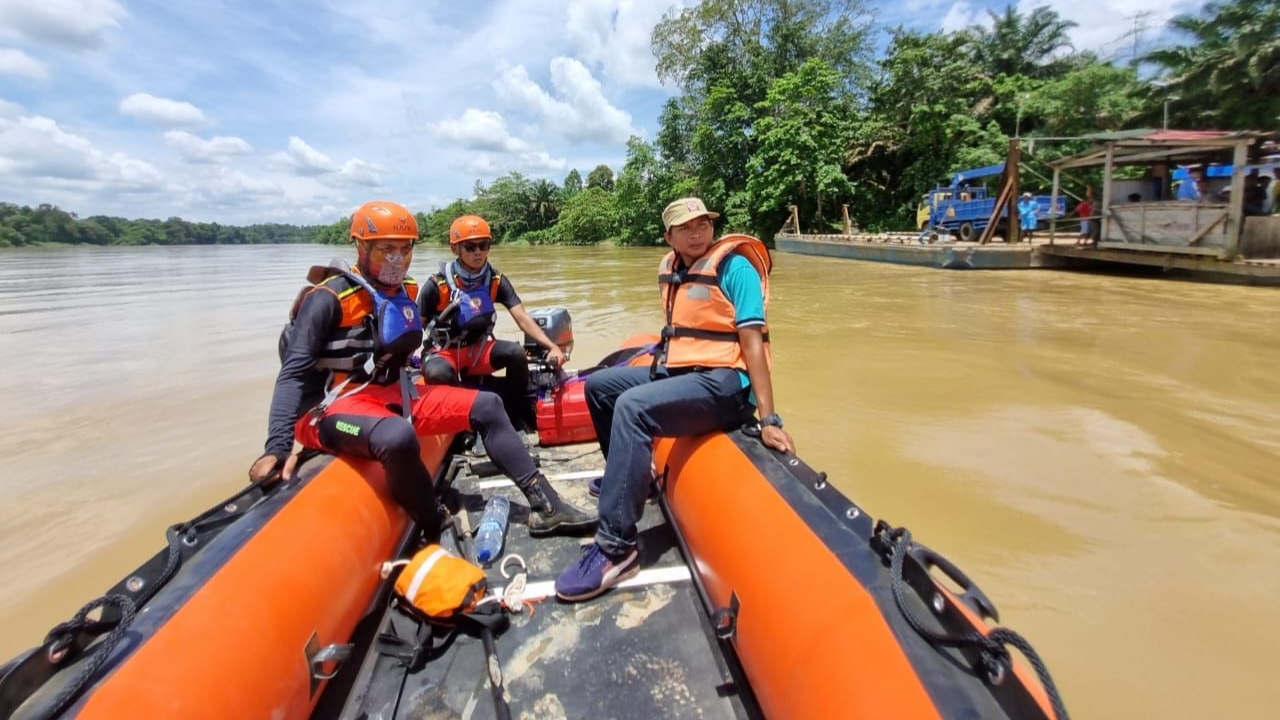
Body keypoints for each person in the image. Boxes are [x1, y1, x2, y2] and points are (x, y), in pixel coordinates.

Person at [248, 201, 593, 541]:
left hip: (392, 391)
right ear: (361, 246)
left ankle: (548, 505)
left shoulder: (407, 290)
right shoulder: (328, 297)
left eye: (404, 249)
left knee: (487, 405)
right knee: (397, 436)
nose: (397, 259)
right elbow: (293, 372)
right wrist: (277, 448)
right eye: (386, 250)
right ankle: (431, 524)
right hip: (332, 409)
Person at [553, 198, 796, 602]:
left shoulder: (736, 268)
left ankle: (617, 548)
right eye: (686, 227)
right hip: (686, 371)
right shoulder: (670, 268)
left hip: (726, 384)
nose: (698, 232)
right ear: (669, 237)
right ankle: (638, 480)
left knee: (633, 409)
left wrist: (769, 420)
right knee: (601, 387)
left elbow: (752, 345)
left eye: (703, 224)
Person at [417, 215, 565, 432]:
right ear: (454, 249)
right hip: (444, 352)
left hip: (478, 351)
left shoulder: (496, 280)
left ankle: (517, 414)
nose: (478, 252)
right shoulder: (436, 285)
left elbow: (522, 317)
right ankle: (462, 425)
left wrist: (552, 346)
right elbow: (414, 329)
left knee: (515, 353)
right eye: (470, 246)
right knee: (438, 373)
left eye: (484, 245)